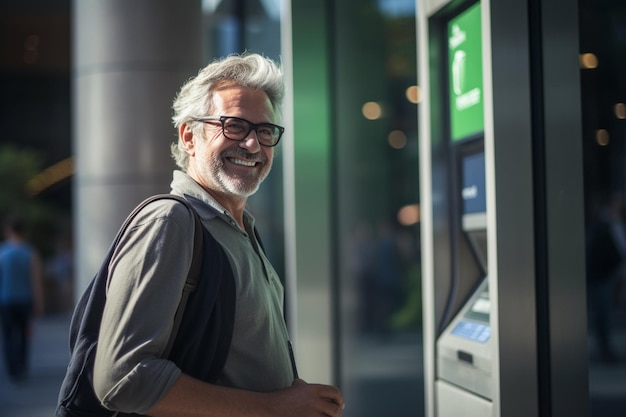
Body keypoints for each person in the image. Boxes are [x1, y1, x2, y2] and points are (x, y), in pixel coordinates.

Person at [92, 53, 345, 416]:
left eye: (265, 131)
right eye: (235, 126)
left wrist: (288, 394)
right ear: (189, 136)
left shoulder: (239, 227)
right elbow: (123, 378)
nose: (253, 145)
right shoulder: (170, 222)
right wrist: (274, 406)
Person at [0, 212, 44, 382]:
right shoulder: (30, 252)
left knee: (8, 335)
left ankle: (12, 369)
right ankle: (22, 367)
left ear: (8, 230)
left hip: (6, 300)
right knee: (24, 335)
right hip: (25, 300)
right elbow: (36, 280)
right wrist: (39, 303)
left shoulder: (2, 252)